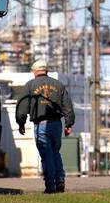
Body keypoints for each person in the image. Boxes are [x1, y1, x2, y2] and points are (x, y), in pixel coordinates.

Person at [15, 59, 74, 193]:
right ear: (46, 70)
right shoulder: (58, 85)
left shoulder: (30, 85)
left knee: (46, 155)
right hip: (57, 125)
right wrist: (68, 123)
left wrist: (21, 122)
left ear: (35, 71)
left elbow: (22, 106)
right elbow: (67, 106)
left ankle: (50, 186)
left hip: (41, 125)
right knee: (55, 153)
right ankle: (60, 181)